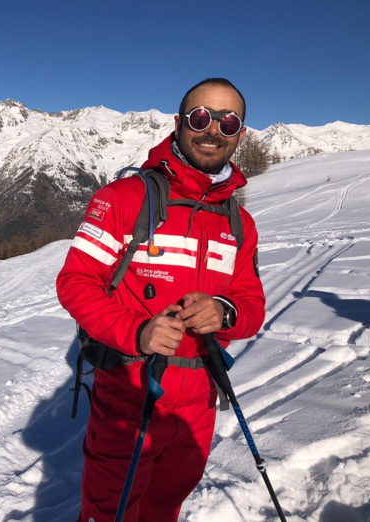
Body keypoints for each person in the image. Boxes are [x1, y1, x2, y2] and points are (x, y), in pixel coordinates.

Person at [56, 78, 266, 522]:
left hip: (199, 403)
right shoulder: (122, 199)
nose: (214, 130)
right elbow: (76, 282)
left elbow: (250, 306)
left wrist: (223, 312)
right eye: (201, 117)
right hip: (130, 394)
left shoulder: (240, 223)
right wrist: (136, 330)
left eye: (228, 122)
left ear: (240, 134)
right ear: (179, 123)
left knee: (164, 509)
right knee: (109, 513)